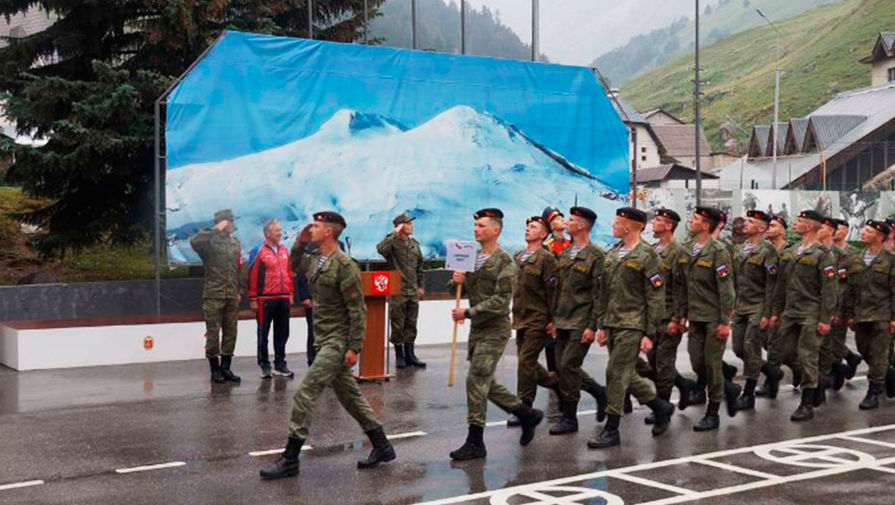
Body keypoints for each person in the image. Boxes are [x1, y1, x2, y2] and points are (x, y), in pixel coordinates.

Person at [260, 211, 395, 479]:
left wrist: (354, 347)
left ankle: (290, 458)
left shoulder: (344, 265)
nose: (312, 228)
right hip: (323, 339)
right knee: (351, 397)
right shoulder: (316, 259)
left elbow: (358, 310)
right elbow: (295, 266)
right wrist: (298, 243)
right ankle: (382, 446)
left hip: (337, 341)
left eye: (317, 225)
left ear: (329, 232)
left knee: (304, 393)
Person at [448, 208, 544, 460]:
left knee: (476, 379)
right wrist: (457, 279)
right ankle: (526, 414)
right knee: (484, 382)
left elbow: (501, 302)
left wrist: (468, 313)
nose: (476, 229)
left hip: (495, 329)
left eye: (481, 226)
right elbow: (456, 289)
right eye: (475, 225)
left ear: (495, 230)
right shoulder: (472, 257)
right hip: (478, 329)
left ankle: (475, 440)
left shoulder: (505, 262)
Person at [588, 207, 674, 449]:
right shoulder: (613, 254)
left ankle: (612, 429)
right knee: (626, 373)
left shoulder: (648, 256)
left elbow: (655, 298)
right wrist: (601, 325)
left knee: (615, 373)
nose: (613, 226)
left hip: (633, 324)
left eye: (617, 222)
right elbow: (604, 292)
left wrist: (649, 333)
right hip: (613, 323)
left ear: (628, 227)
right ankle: (660, 407)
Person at [769, 210, 837, 422]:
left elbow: (830, 289)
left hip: (811, 312)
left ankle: (807, 403)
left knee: (807, 355)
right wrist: (775, 312)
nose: (795, 224)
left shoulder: (823, 254)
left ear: (809, 227)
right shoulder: (792, 251)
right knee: (784, 353)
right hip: (790, 311)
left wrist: (825, 319)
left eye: (799, 221)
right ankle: (819, 380)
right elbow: (780, 285)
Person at [549, 206, 608, 435]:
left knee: (568, 366)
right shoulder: (565, 254)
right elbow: (559, 290)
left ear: (582, 225)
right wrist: (554, 319)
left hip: (581, 321)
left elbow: (598, 294)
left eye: (571, 220)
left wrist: (593, 326)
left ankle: (569, 417)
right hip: (563, 319)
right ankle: (598, 392)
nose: (567, 223)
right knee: (563, 368)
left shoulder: (596, 256)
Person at [682, 207, 736, 432]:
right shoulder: (688, 250)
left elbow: (726, 289)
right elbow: (684, 286)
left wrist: (725, 321)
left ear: (705, 225)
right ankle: (729, 389)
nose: (690, 221)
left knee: (712, 365)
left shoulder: (718, 251)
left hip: (714, 317)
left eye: (695, 219)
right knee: (697, 362)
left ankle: (713, 413)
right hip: (695, 316)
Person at [508, 215, 560, 427]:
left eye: (534, 227)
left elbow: (554, 291)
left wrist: (554, 319)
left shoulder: (546, 259)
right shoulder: (519, 256)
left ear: (543, 234)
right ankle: (558, 383)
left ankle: (524, 407)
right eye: (527, 226)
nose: (528, 229)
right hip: (521, 317)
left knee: (525, 362)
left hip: (538, 318)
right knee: (526, 362)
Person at [645, 208, 695, 418]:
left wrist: (679, 317)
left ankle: (662, 407)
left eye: (658, 220)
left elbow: (683, 287)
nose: (653, 223)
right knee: (654, 362)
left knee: (664, 364)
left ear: (668, 226)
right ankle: (683, 385)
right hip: (653, 316)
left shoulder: (679, 252)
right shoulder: (653, 251)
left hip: (670, 315)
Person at [842, 220, 895, 409]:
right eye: (863, 230)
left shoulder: (890, 259)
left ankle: (874, 390)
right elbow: (850, 290)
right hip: (861, 314)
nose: (863, 233)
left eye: (868, 231)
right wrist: (848, 314)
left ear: (880, 237)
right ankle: (888, 374)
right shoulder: (856, 259)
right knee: (864, 349)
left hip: (883, 314)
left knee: (879, 353)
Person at [730, 210, 778, 411]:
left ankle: (748, 394)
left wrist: (768, 313)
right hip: (741, 305)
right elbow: (734, 279)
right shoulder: (740, 249)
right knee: (738, 348)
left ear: (761, 228)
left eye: (751, 221)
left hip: (758, 306)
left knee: (751, 347)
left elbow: (772, 285)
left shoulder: (768, 251)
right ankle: (771, 372)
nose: (746, 224)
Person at [190, 209, 243, 384]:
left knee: (231, 332)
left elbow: (239, 269)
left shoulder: (235, 243)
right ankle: (214, 369)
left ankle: (226, 367)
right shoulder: (208, 243)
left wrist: (239, 291)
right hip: (214, 294)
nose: (232, 224)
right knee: (213, 333)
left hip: (231, 294)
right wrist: (216, 229)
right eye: (230, 221)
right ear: (222, 222)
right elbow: (194, 241)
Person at [377, 211, 426, 369]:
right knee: (398, 323)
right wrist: (394, 233)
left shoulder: (414, 244)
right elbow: (380, 249)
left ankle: (410, 354)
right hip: (397, 290)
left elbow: (420, 267)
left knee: (411, 323)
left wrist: (420, 286)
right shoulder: (391, 243)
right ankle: (399, 355)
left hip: (412, 290)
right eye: (408, 223)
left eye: (411, 223)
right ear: (399, 226)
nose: (411, 226)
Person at [247, 219, 294, 378]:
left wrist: (290, 292)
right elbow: (252, 276)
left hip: (283, 297)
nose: (280, 233)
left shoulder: (284, 250)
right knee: (263, 333)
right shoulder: (258, 251)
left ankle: (280, 364)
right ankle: (264, 364)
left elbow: (288, 272)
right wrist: (253, 297)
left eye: (280, 230)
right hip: (265, 299)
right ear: (267, 233)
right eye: (276, 231)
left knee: (283, 332)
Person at [829, 218, 862, 387]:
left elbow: (853, 284)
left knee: (836, 338)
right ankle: (849, 357)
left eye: (839, 228)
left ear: (846, 231)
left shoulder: (853, 253)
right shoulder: (827, 250)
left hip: (842, 302)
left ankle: (837, 374)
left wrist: (849, 311)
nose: (835, 231)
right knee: (827, 340)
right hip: (829, 300)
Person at [541, 206, 569, 374]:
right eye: (557, 219)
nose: (562, 221)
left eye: (562, 217)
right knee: (552, 343)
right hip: (553, 299)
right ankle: (554, 376)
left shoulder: (570, 244)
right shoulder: (547, 246)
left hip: (569, 300)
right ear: (550, 225)